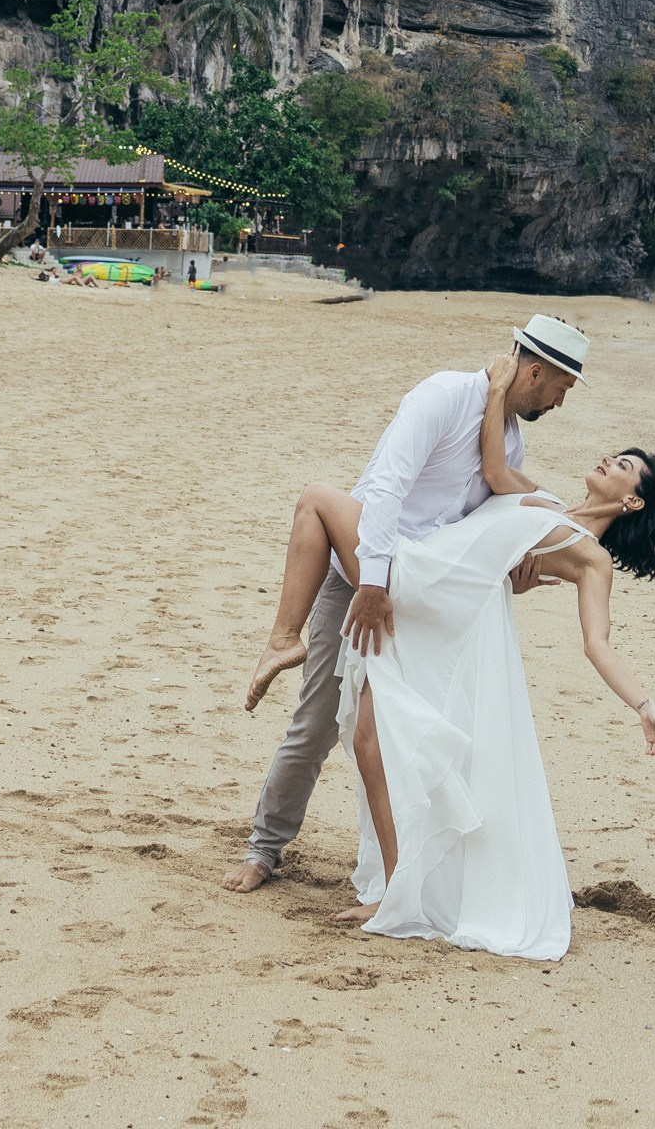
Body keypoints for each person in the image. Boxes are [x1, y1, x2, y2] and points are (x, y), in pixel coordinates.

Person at [299, 351, 655, 959]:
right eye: (614, 455)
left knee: (320, 501)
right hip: (434, 592)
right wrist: (498, 390)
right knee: (371, 738)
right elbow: (494, 473)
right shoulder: (543, 498)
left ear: (632, 501)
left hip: (436, 600)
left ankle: (398, 894)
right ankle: (398, 890)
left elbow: (596, 643)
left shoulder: (591, 557)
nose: (609, 460)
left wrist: (644, 703)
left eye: (624, 466)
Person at [223, 312, 589, 894]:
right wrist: (371, 584)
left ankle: (413, 873)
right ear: (536, 371)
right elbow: (386, 488)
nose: (560, 404)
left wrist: (512, 571)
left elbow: (475, 530)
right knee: (316, 722)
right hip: (361, 578)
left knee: (406, 735)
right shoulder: (443, 396)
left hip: (418, 599)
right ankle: (264, 850)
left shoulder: (509, 440)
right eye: (562, 390)